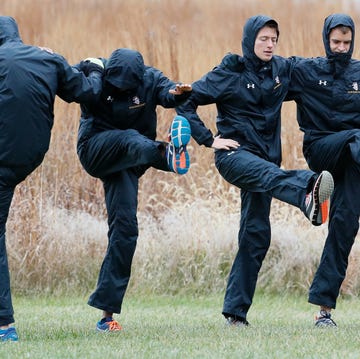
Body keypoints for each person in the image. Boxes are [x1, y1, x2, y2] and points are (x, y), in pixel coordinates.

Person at [177, 15, 334, 327]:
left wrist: (344, 69)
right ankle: (307, 190)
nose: (270, 44)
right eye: (264, 39)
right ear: (250, 40)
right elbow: (186, 101)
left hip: (266, 164)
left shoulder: (281, 70)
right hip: (234, 156)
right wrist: (209, 140)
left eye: (274, 39)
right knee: (272, 178)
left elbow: (316, 69)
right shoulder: (230, 71)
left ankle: (235, 314)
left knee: (256, 235)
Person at [0, 16, 104, 342]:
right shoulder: (47, 58)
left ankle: (5, 326)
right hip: (27, 157)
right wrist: (96, 67)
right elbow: (89, 92)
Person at [76, 48, 192, 332]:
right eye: (118, 86)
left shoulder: (150, 78)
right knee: (131, 138)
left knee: (126, 229)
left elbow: (166, 92)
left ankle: (106, 316)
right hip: (96, 149)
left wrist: (177, 93)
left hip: (129, 161)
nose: (123, 90)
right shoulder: (96, 71)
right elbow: (62, 78)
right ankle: (168, 155)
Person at [288, 13, 360, 327]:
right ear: (326, 39)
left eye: (346, 42)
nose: (341, 48)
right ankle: (314, 188)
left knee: (345, 224)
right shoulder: (306, 71)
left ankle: (323, 311)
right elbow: (266, 81)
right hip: (322, 150)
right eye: (336, 42)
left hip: (354, 160)